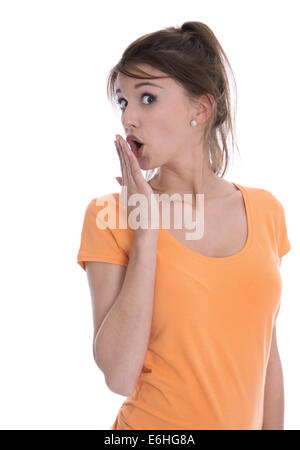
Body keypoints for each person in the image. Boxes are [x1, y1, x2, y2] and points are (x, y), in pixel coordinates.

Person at [76, 21, 291, 430]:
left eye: (148, 98)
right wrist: (147, 231)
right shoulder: (109, 215)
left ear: (201, 109)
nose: (129, 118)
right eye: (123, 102)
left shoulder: (266, 212)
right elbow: (119, 375)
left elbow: (267, 357)